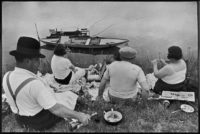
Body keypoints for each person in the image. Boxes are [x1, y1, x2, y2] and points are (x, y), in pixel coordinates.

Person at [2, 36, 90, 130]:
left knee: (57, 96)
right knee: (65, 100)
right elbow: (56, 109)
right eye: (37, 60)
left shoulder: (7, 76)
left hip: (19, 119)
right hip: (38, 121)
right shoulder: (34, 84)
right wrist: (80, 116)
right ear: (27, 61)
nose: (39, 64)